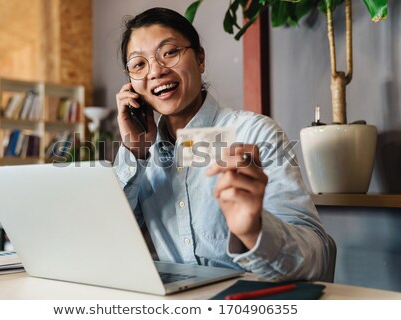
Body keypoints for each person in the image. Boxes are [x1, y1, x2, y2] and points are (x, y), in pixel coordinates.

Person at [114, 7, 329, 281]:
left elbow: (317, 257)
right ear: (131, 85)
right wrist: (134, 151)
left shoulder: (254, 133)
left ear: (200, 59)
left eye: (169, 52)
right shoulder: (142, 156)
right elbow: (108, 239)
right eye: (138, 64)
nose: (156, 70)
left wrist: (254, 230)